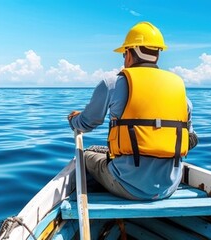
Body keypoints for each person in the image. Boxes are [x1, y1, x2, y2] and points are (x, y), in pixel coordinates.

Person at [68, 21, 199, 200]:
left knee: (86, 156)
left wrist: (73, 119)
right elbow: (191, 140)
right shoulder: (183, 98)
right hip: (169, 188)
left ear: (129, 54)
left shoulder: (112, 84)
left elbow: (86, 123)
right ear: (157, 56)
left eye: (124, 54)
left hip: (127, 186)